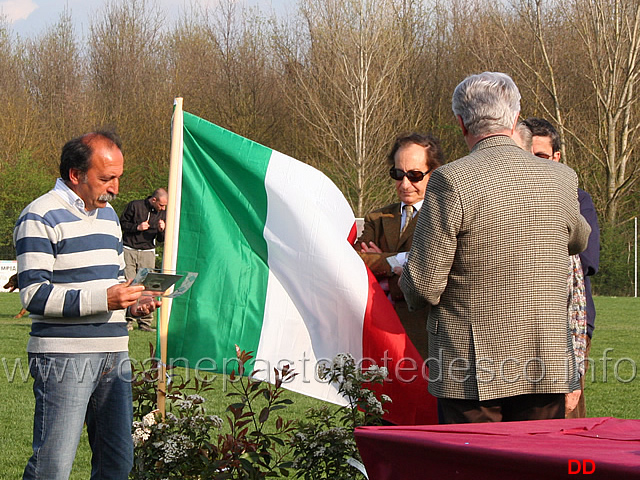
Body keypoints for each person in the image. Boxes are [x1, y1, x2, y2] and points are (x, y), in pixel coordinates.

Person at [399, 72, 592, 424]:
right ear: (515, 118)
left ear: (461, 123)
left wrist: (403, 284)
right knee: (536, 469)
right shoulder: (561, 178)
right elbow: (579, 239)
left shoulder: (450, 180)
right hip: (545, 362)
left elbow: (423, 286)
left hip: (469, 369)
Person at [14, 130, 160, 479]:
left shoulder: (109, 217)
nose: (116, 189)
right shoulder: (39, 215)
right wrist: (105, 298)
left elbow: (107, 286)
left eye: (118, 178)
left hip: (115, 353)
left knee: (118, 464)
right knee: (53, 466)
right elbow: (33, 294)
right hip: (64, 357)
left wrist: (131, 305)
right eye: (107, 178)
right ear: (75, 175)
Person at [523, 117, 601, 418]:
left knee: (565, 413)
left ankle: (572, 467)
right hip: (523, 322)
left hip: (567, 324)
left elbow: (587, 259)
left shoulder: (578, 200)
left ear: (556, 157)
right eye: (528, 155)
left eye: (542, 156)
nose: (535, 164)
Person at [355, 133, 444, 360]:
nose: (405, 185)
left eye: (414, 175)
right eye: (398, 174)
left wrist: (382, 263)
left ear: (433, 174)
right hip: (378, 332)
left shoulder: (443, 218)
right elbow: (356, 261)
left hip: (425, 338)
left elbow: (432, 269)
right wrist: (402, 261)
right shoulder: (377, 217)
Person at [120, 187, 167, 332]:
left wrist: (162, 230)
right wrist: (137, 227)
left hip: (148, 251)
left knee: (147, 287)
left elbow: (161, 240)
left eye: (165, 206)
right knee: (130, 283)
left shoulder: (163, 213)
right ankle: (128, 320)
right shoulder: (135, 206)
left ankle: (145, 323)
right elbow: (122, 224)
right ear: (154, 200)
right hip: (129, 249)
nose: (163, 208)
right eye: (161, 205)